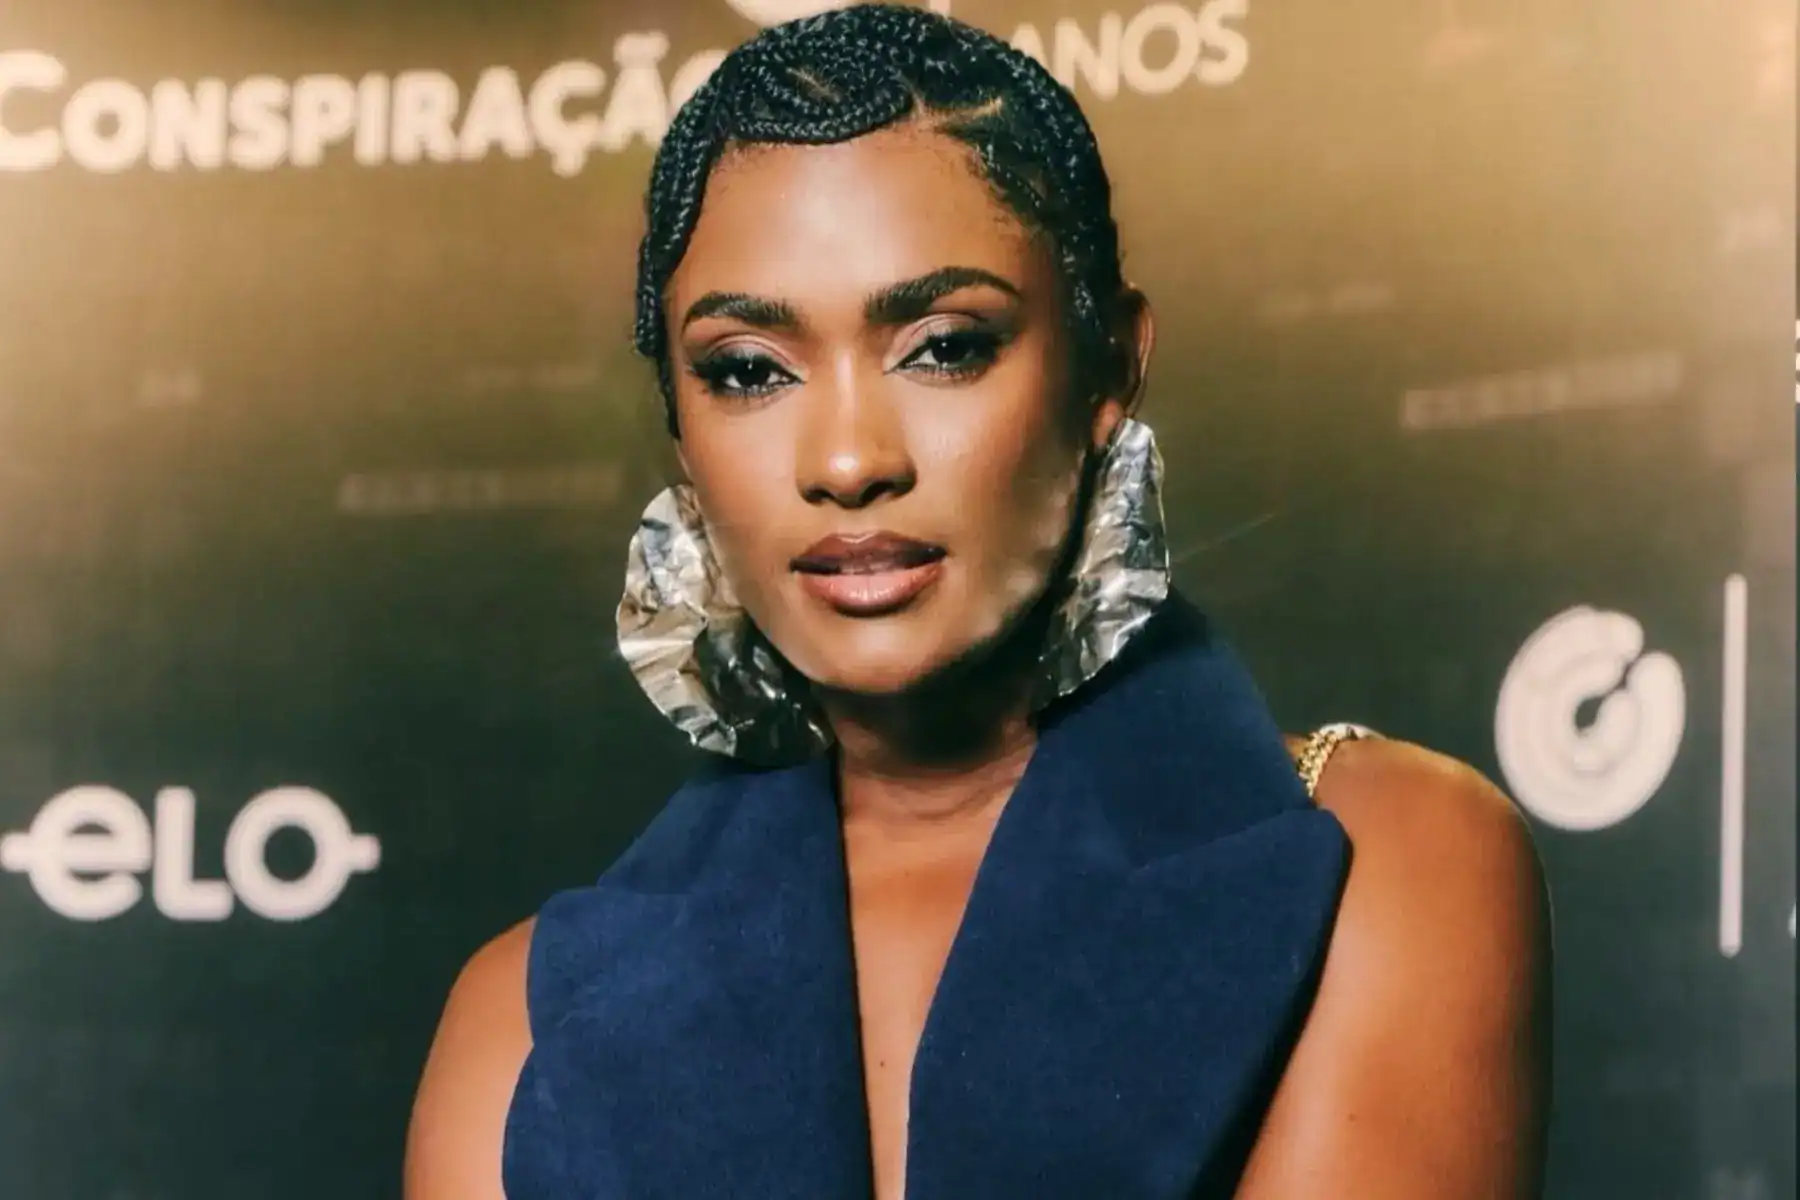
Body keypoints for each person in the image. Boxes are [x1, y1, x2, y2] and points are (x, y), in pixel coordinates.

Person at [404, 6, 1552, 1198]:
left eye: (943, 346)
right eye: (748, 370)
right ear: (679, 435)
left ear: (1109, 366)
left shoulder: (1385, 858)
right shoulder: (521, 1032)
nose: (849, 460)